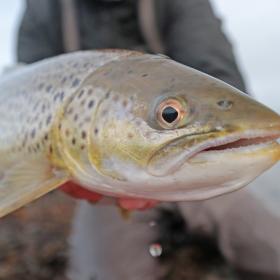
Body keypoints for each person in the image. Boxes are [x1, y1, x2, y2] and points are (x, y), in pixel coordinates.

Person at [17, 1, 280, 279]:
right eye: (170, 114)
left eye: (170, 114)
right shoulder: (43, 8)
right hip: (106, 183)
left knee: (270, 247)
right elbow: (29, 89)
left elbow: (221, 80)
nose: (170, 115)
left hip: (204, 171)